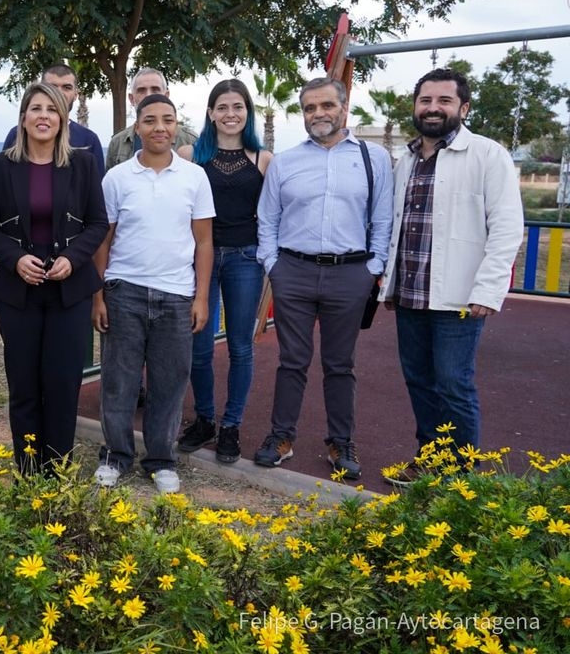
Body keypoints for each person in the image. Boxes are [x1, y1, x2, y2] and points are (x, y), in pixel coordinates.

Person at [380, 68, 523, 483]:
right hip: (410, 293)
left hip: (458, 296)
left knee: (453, 384)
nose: (433, 108)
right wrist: (389, 282)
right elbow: (397, 225)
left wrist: (488, 289)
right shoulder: (407, 159)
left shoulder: (487, 155)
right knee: (419, 381)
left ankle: (460, 474)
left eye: (444, 101)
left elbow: (507, 228)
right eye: (426, 100)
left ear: (463, 107)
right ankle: (429, 458)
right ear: (415, 106)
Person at [253, 77, 392, 481]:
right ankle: (281, 437)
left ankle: (340, 442)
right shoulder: (287, 161)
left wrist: (374, 266)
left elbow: (383, 217)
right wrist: (272, 263)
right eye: (310, 108)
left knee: (340, 364)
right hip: (292, 272)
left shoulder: (373, 157)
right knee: (291, 360)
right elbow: (268, 217)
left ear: (344, 108)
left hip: (351, 272)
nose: (318, 114)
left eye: (326, 106)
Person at [0, 82, 108, 474]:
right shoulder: (1, 166)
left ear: (63, 118)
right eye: (36, 109)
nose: (44, 116)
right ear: (23, 119)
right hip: (18, 293)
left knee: (63, 385)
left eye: (51, 110)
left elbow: (97, 222)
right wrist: (16, 259)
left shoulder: (83, 164)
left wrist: (73, 257)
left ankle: (57, 473)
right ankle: (29, 472)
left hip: (69, 291)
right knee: (24, 386)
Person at [91, 94, 215, 493]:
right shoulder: (117, 178)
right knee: (118, 382)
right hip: (123, 292)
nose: (159, 127)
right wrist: (98, 296)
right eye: (150, 120)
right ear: (137, 127)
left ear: (176, 125)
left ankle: (161, 459)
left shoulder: (195, 177)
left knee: (169, 382)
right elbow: (103, 242)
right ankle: (115, 456)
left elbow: (204, 242)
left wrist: (200, 298)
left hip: (177, 296)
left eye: (167, 120)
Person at [176, 79, 272, 463]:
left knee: (239, 346)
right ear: (211, 113)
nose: (230, 114)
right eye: (223, 107)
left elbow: (272, 215)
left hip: (245, 259)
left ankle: (231, 425)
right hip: (200, 259)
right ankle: (204, 419)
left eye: (238, 107)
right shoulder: (189, 156)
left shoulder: (263, 159)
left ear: (247, 113)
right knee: (198, 345)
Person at [2, 63, 105, 175]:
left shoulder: (89, 140)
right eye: (52, 87)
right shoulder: (16, 135)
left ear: (76, 94)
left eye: (67, 87)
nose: (59, 93)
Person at [105, 68, 197, 170]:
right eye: (141, 91)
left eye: (155, 90)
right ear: (131, 98)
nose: (148, 95)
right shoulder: (117, 143)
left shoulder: (190, 140)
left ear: (166, 95)